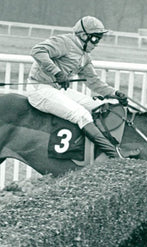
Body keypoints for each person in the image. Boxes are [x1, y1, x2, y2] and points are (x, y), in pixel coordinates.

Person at [27, 16, 139, 158]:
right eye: (95, 38)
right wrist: (57, 73)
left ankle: (109, 146)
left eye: (99, 38)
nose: (97, 42)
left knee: (98, 106)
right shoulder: (65, 42)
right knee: (82, 115)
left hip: (56, 90)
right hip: (39, 89)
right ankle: (114, 155)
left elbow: (94, 82)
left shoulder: (84, 56)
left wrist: (114, 93)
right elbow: (37, 51)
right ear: (84, 35)